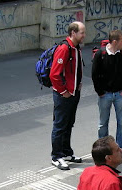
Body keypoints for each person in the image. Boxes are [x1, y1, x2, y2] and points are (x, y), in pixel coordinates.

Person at [50, 22, 86, 170]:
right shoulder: (64, 48)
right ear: (73, 32)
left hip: (73, 92)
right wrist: (63, 91)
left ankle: (66, 152)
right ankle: (56, 156)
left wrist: (77, 85)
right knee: (59, 126)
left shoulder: (75, 48)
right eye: (82, 33)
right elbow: (54, 74)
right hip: (64, 95)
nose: (84, 35)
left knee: (68, 124)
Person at [91, 30, 122, 151]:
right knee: (103, 123)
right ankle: (103, 148)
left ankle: (120, 147)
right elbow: (94, 74)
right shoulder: (100, 54)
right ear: (115, 41)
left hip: (120, 93)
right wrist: (100, 92)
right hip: (105, 94)